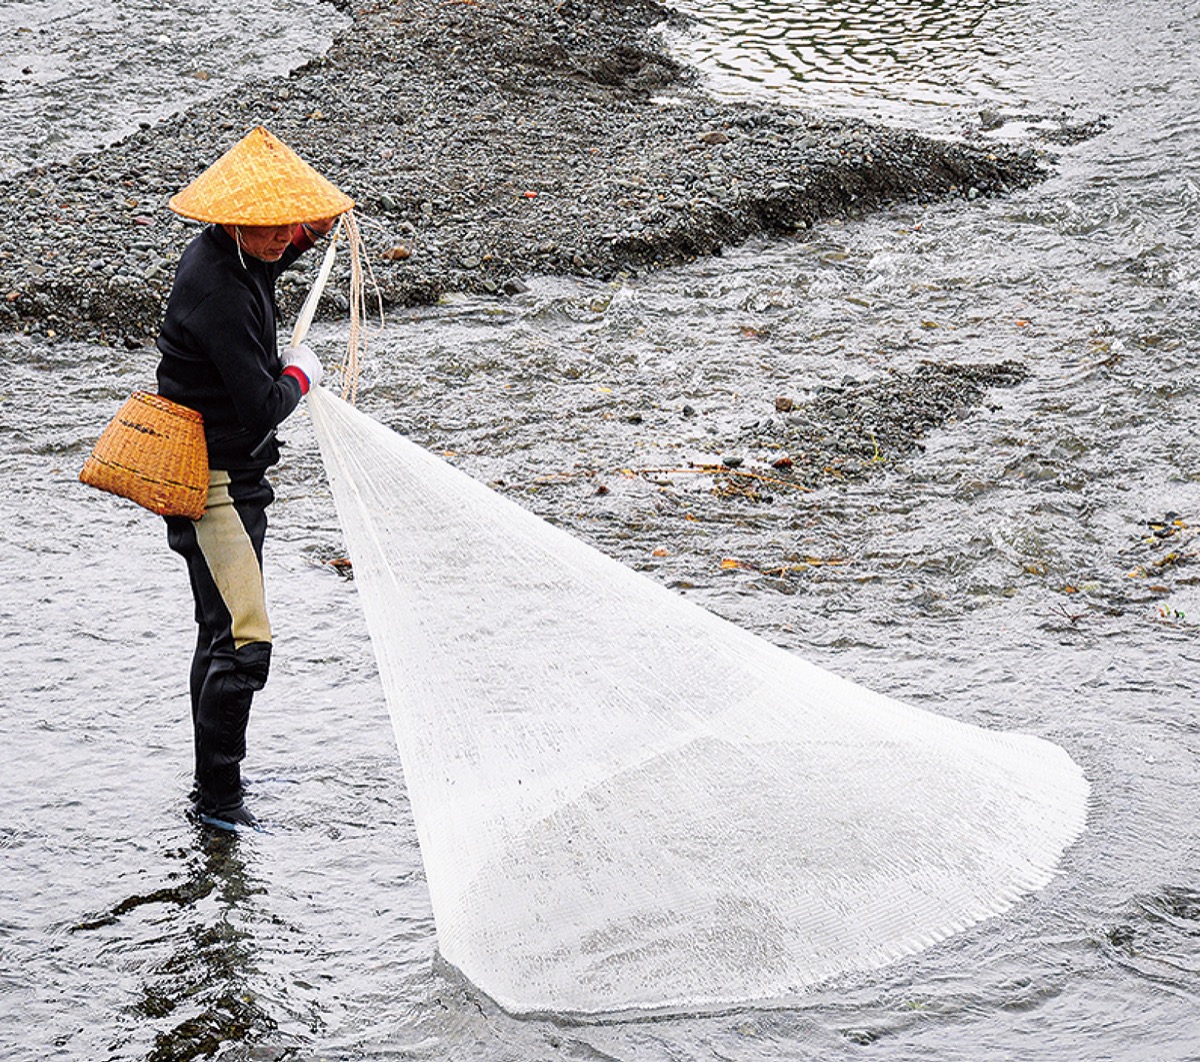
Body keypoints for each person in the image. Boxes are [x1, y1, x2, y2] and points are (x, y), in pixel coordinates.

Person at [155, 125, 353, 832]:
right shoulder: (221, 294)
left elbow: (265, 267)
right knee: (245, 642)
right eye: (270, 228)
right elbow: (265, 406)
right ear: (235, 219)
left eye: (287, 227)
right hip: (212, 486)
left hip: (228, 477)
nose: (282, 237)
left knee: (216, 631)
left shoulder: (228, 256)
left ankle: (212, 786)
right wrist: (302, 373)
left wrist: (307, 236)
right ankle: (220, 806)